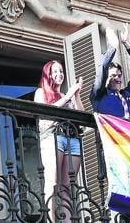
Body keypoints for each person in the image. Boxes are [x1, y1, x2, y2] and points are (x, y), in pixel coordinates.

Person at [34, 60, 83, 223]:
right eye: (55, 71)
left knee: (67, 187)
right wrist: (69, 95)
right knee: (53, 182)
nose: (59, 74)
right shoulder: (40, 92)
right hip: (53, 137)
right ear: (48, 74)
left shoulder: (65, 96)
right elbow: (47, 112)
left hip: (72, 140)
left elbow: (81, 116)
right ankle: (51, 220)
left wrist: (76, 95)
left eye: (61, 71)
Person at [91, 24, 130, 120]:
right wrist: (113, 47)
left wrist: (126, 43)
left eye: (119, 76)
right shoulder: (99, 94)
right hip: (112, 134)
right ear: (106, 78)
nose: (118, 79)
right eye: (113, 76)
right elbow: (102, 69)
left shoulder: (129, 94)